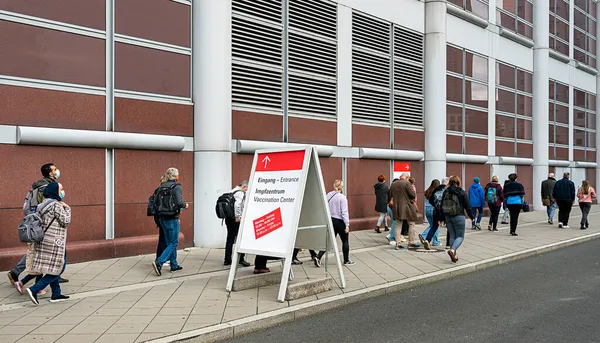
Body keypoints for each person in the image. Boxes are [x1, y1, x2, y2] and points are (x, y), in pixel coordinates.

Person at [8, 163, 69, 286]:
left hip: (37, 222)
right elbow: (45, 206)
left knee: (37, 251)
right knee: (39, 251)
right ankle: (49, 277)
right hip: (43, 225)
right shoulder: (46, 186)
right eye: (55, 169)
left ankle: (52, 276)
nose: (57, 171)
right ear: (50, 172)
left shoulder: (40, 185)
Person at [25, 182, 71, 305]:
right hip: (55, 241)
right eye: (61, 189)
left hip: (44, 239)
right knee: (59, 268)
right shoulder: (56, 205)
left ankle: (56, 294)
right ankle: (34, 289)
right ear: (54, 191)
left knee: (53, 268)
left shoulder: (42, 205)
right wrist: (68, 209)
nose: (62, 191)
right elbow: (65, 221)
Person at [309, 180, 354, 267]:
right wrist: (347, 224)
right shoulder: (342, 197)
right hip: (340, 221)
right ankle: (346, 260)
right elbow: (344, 212)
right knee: (345, 241)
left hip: (331, 220)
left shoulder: (329, 195)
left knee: (329, 241)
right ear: (341, 187)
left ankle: (318, 257)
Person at [151, 168, 188, 276]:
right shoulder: (176, 187)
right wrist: (185, 205)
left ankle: (174, 264)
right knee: (174, 242)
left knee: (169, 242)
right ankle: (159, 262)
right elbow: (179, 202)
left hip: (162, 218)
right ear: (176, 177)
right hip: (172, 218)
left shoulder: (161, 187)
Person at [439, 176, 473, 263]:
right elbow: (467, 206)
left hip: (448, 216)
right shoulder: (461, 192)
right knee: (460, 236)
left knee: (452, 235)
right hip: (459, 216)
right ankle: (453, 250)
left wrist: (441, 218)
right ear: (458, 182)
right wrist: (472, 217)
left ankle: (454, 255)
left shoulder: (446, 191)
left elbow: (442, 204)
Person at [224, 181, 251, 267]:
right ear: (244, 187)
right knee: (241, 239)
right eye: (247, 188)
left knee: (230, 238)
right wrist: (238, 217)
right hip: (235, 219)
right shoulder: (240, 193)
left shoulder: (232, 191)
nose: (247, 190)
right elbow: (237, 205)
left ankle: (227, 259)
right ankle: (241, 259)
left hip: (228, 218)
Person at [390, 173, 419, 249]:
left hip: (397, 206)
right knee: (411, 224)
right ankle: (411, 242)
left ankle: (397, 244)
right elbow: (412, 195)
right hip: (408, 207)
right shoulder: (407, 183)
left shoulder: (394, 184)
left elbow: (389, 195)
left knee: (398, 225)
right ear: (407, 177)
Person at [421, 177, 449, 250]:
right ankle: (448, 244)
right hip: (445, 210)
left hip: (435, 210)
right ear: (447, 183)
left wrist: (436, 205)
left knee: (434, 226)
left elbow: (430, 200)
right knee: (450, 227)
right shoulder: (447, 189)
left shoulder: (436, 189)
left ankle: (428, 240)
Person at [419, 179, 441, 246]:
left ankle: (435, 241)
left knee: (433, 225)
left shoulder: (427, 191)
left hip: (427, 209)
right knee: (435, 226)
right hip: (434, 210)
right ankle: (426, 236)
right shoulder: (437, 192)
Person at [386, 179, 404, 245]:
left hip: (389, 207)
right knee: (395, 222)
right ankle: (392, 238)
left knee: (394, 222)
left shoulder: (390, 190)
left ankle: (391, 235)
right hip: (393, 208)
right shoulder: (396, 191)